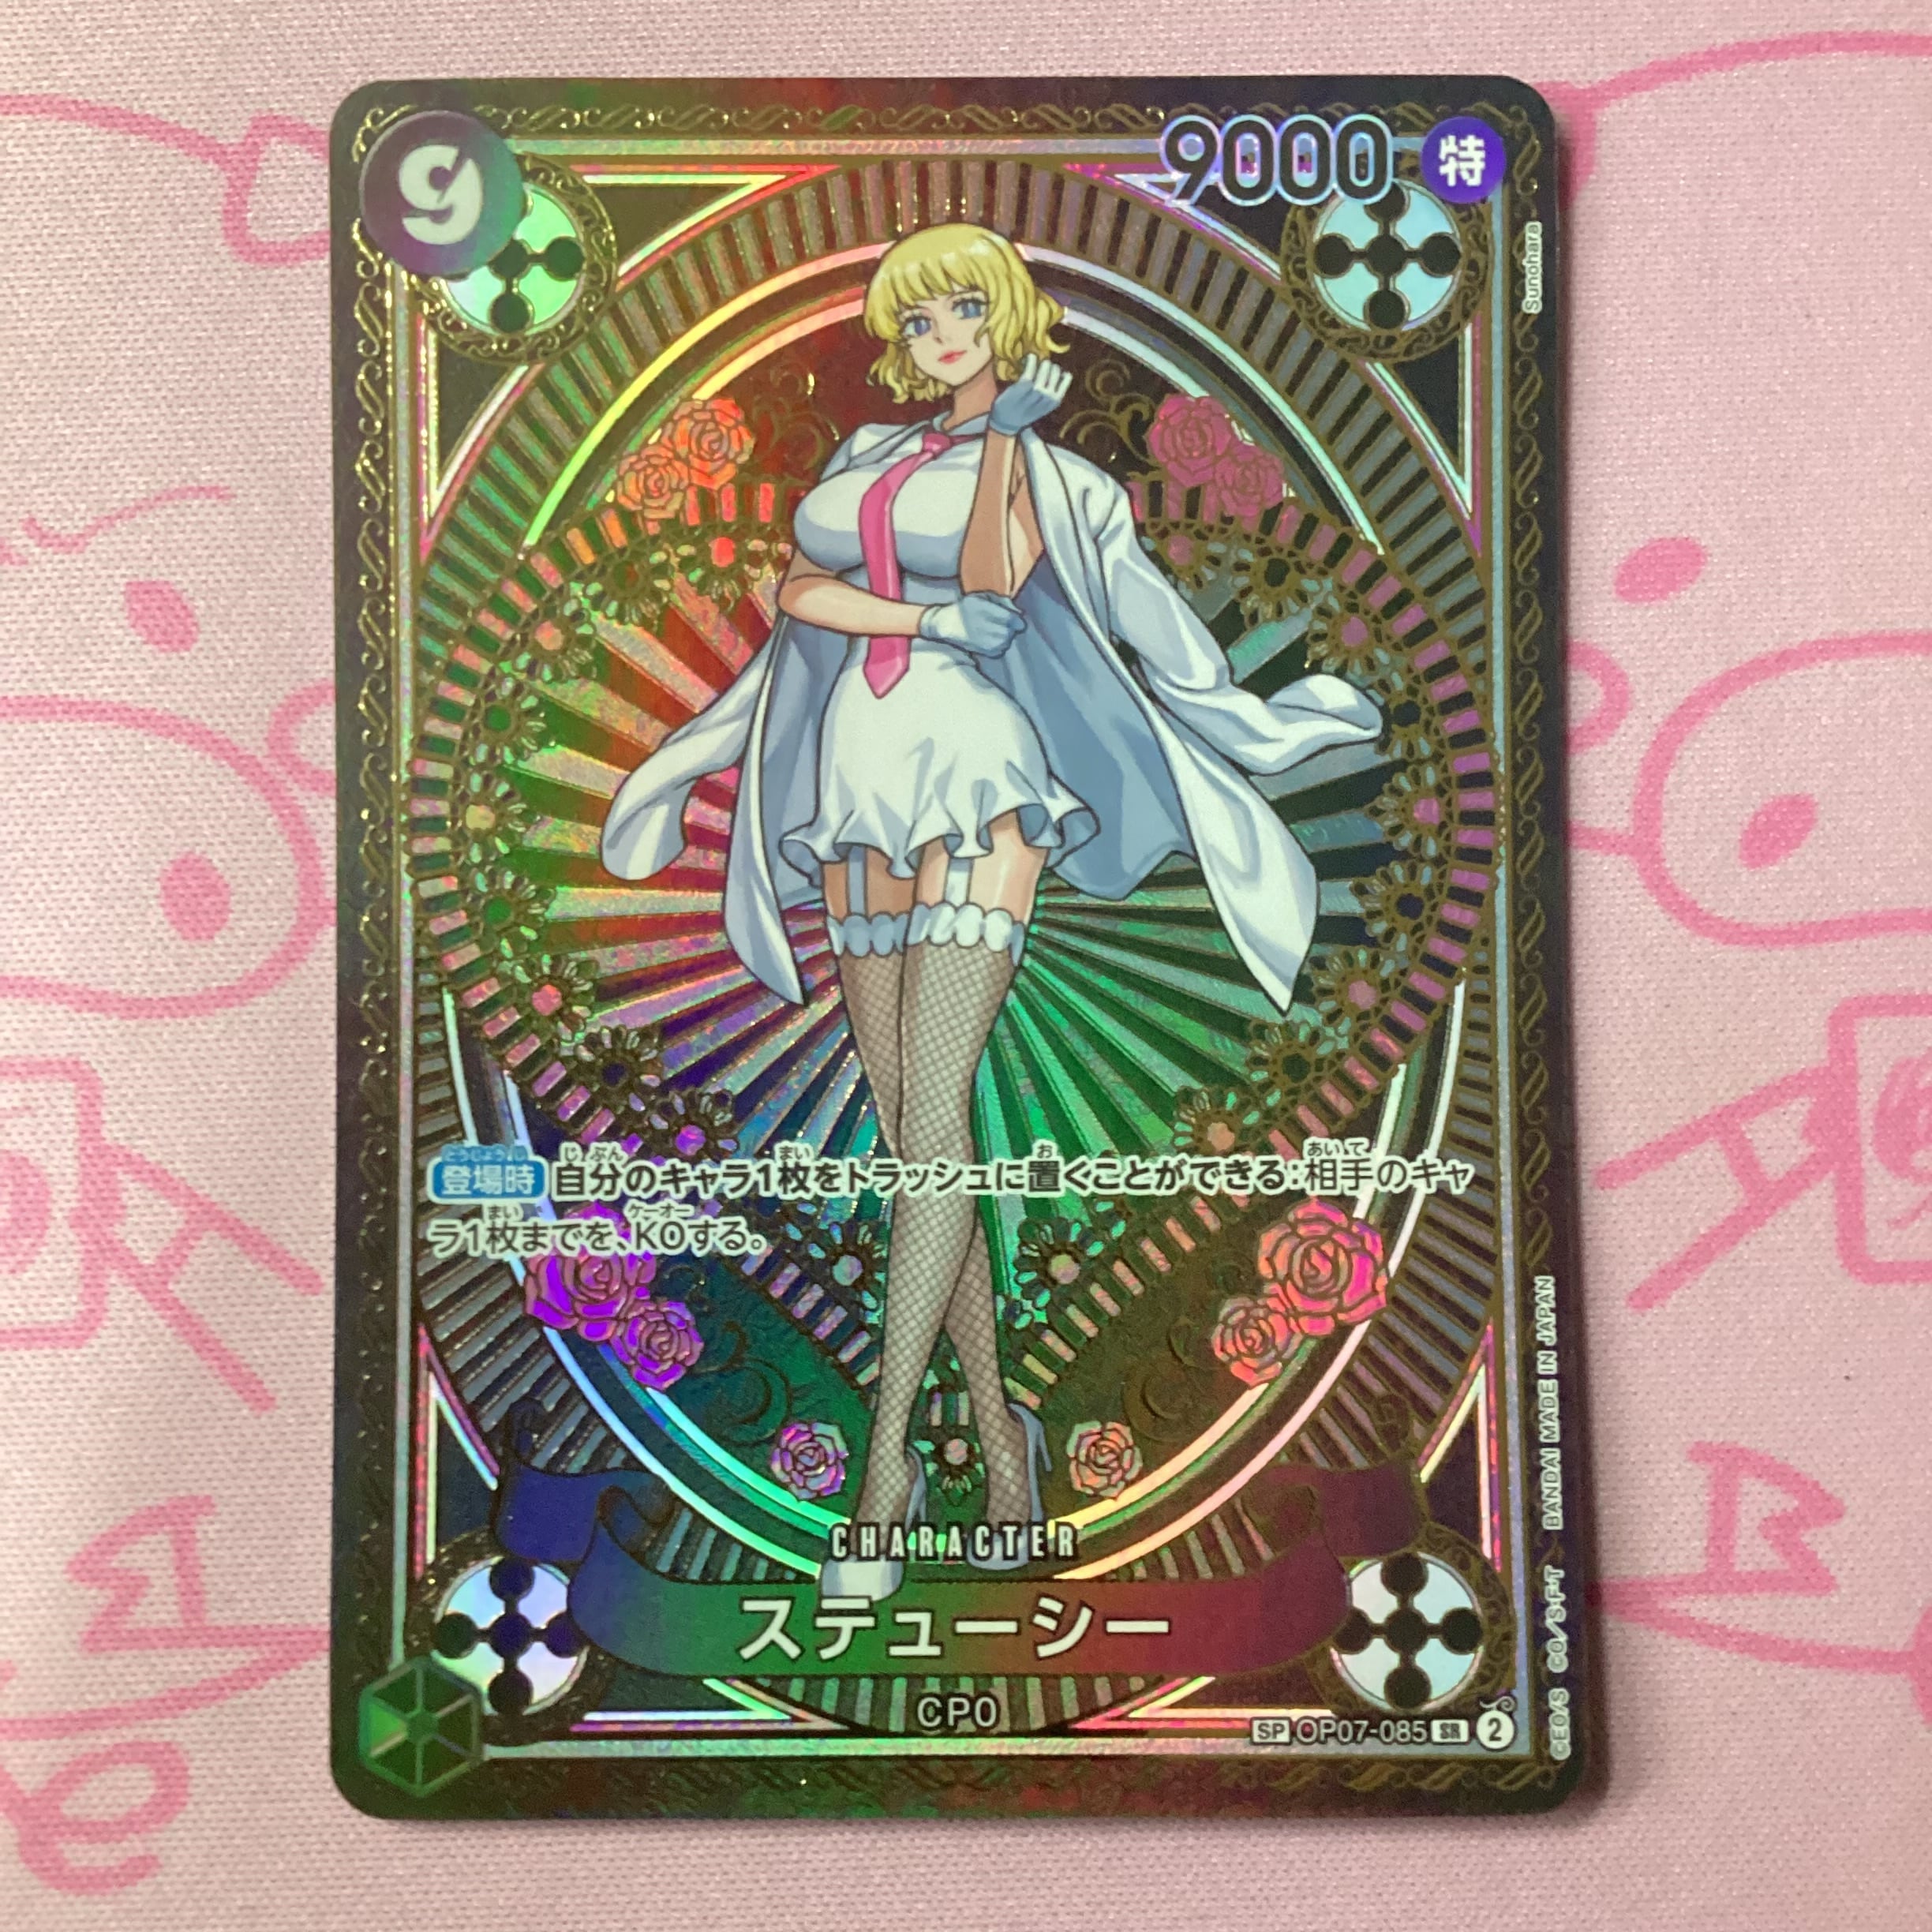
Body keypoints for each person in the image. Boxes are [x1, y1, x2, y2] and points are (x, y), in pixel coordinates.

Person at [601, 223, 1382, 1601]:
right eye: (919, 318)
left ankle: (885, 1471)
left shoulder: (1053, 477)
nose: (940, 335)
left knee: (937, 1116)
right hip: (856, 781)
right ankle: (1004, 1441)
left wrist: (1009, 458)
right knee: (919, 1134)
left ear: (1009, 317)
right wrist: (904, 627)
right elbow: (796, 595)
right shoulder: (862, 456)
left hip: (978, 778)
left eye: (964, 309)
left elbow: (1035, 601)